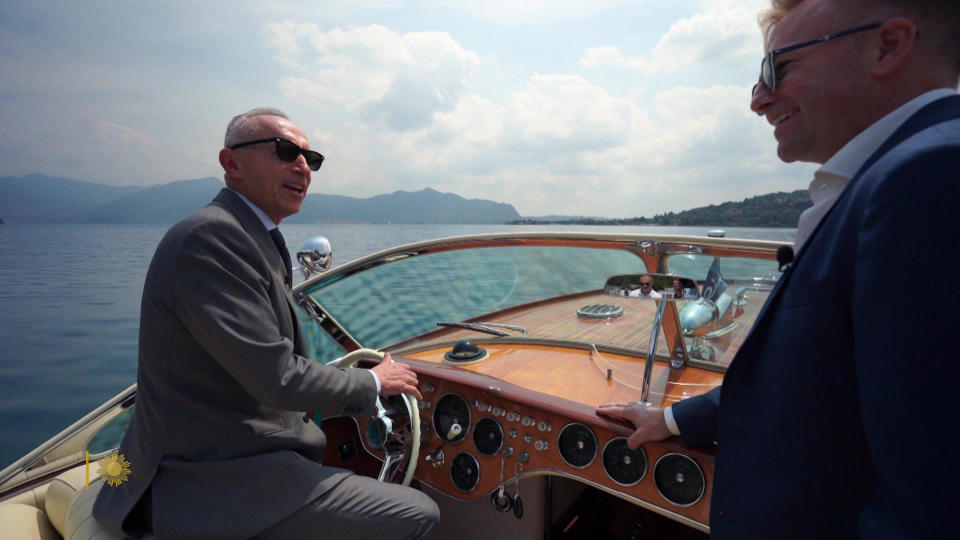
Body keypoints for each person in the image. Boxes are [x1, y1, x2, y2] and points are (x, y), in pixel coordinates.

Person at [599, 0, 960, 537]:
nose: (757, 99)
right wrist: (671, 419)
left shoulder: (928, 179)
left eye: (777, 68)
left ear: (888, 45)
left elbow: (933, 499)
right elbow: (819, 376)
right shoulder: (885, 181)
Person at [93, 108, 439, 539]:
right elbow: (274, 376)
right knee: (418, 512)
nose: (302, 168)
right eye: (285, 151)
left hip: (218, 449)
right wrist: (372, 384)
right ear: (231, 162)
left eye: (310, 160)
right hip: (201, 479)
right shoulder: (212, 239)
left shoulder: (244, 236)